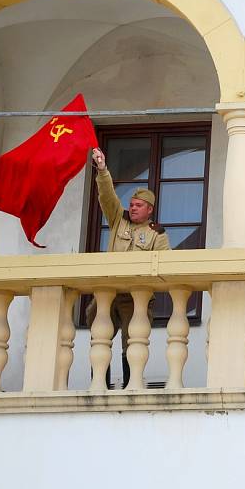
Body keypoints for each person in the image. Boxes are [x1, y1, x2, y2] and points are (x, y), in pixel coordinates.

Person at [87, 147, 171, 387]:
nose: (132, 208)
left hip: (135, 297)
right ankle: (99, 383)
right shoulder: (117, 219)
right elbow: (107, 195)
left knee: (131, 340)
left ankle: (128, 385)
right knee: (98, 337)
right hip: (109, 293)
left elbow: (166, 265)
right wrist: (102, 169)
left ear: (149, 210)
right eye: (131, 204)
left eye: (138, 205)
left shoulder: (157, 234)